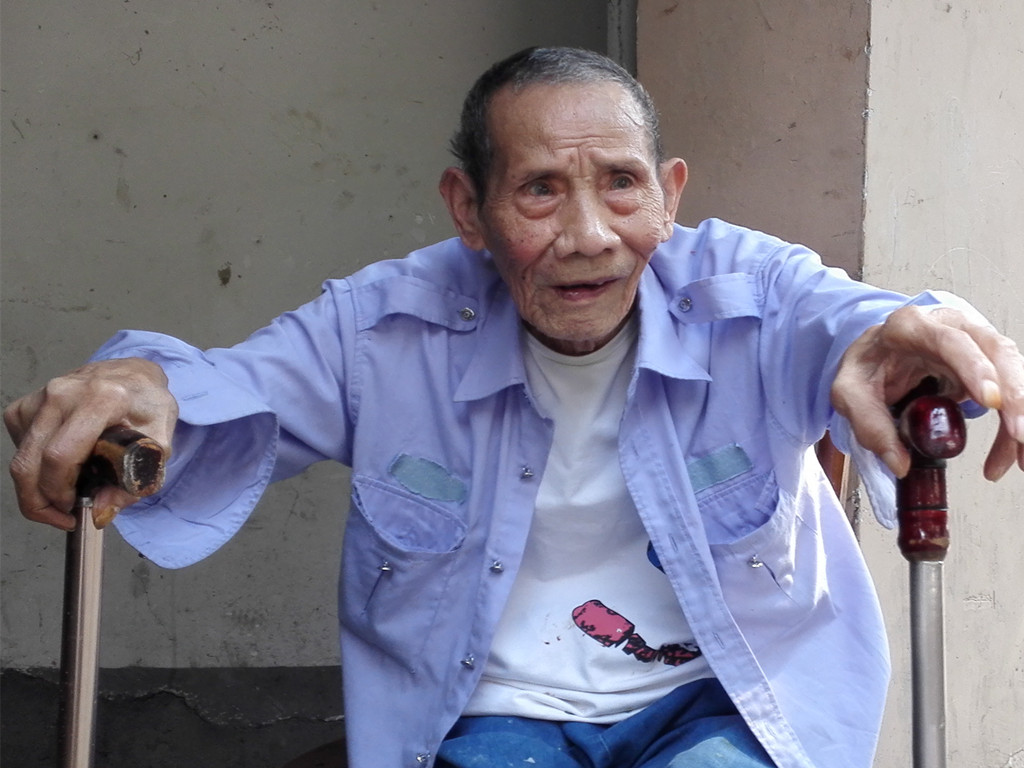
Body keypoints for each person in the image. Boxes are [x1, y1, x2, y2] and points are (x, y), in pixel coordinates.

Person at [5, 47, 1023, 768]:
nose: (588, 235)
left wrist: (903, 334)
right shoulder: (385, 328)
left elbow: (848, 318)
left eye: (620, 185)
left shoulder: (746, 292)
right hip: (495, 714)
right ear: (470, 209)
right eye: (539, 190)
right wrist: (143, 385)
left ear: (668, 194)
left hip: (725, 701)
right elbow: (230, 386)